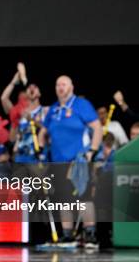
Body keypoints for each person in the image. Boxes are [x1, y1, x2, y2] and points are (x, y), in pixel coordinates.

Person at [38, 76, 102, 249]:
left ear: (71, 86)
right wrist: (41, 150)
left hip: (78, 160)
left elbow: (97, 127)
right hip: (58, 161)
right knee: (63, 198)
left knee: (83, 197)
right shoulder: (54, 109)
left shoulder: (81, 104)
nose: (60, 87)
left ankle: (90, 234)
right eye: (57, 84)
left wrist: (92, 151)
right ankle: (67, 235)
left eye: (64, 84)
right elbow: (43, 130)